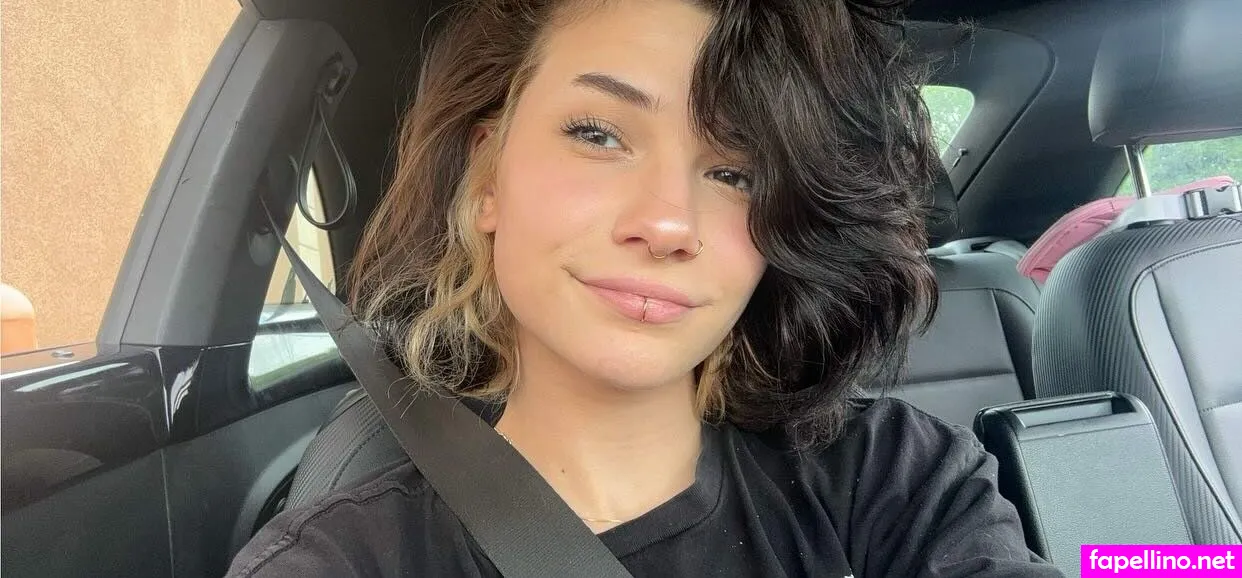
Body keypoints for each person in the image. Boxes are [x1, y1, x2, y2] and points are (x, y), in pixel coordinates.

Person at [228, 0, 1063, 575]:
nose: (668, 222)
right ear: (486, 176)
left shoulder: (892, 481)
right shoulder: (341, 560)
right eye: (599, 134)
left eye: (736, 172)